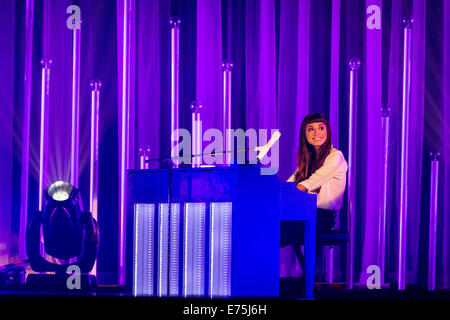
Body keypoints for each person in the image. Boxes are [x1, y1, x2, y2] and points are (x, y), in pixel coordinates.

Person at [280, 113, 348, 295]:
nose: (316, 133)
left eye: (321, 128)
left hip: (322, 217)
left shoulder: (336, 157)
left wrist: (297, 188)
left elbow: (310, 182)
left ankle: (302, 288)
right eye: (310, 129)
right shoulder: (307, 159)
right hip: (303, 213)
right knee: (269, 226)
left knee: (275, 232)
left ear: (328, 131)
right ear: (305, 134)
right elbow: (290, 184)